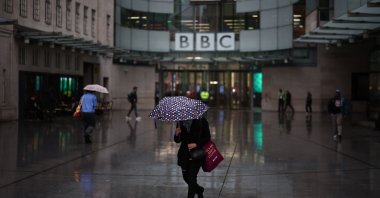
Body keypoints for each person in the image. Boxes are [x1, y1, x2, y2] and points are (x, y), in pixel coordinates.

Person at [174, 117, 211, 198]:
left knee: (191, 178)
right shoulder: (180, 121)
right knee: (186, 177)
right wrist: (177, 134)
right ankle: (199, 189)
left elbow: (207, 137)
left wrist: (196, 144)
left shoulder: (202, 121)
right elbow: (177, 140)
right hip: (184, 154)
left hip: (197, 154)